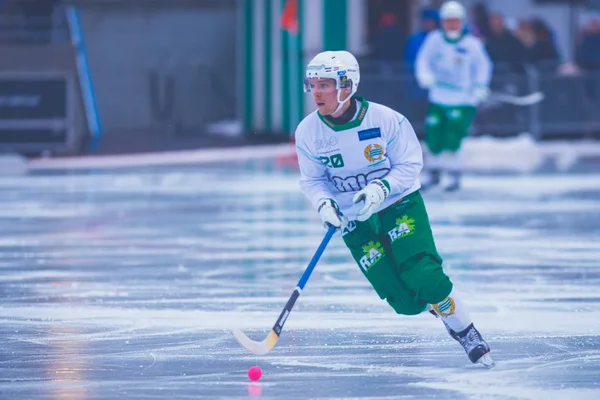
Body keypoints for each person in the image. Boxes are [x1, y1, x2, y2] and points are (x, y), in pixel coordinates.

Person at [294, 49, 494, 367]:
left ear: (346, 86)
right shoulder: (308, 132)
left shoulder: (386, 120)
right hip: (353, 220)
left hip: (398, 204)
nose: (316, 92)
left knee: (424, 275)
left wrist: (380, 188)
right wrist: (324, 204)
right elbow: (312, 180)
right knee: (405, 302)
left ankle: (466, 331)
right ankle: (437, 306)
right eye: (313, 84)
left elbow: (410, 164)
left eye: (325, 84)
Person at [415, 0, 492, 191]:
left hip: (462, 99)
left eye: (455, 20)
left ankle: (453, 172)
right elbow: (423, 61)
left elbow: (483, 67)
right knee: (433, 133)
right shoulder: (434, 40)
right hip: (439, 96)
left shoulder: (471, 44)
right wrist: (426, 77)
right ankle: (434, 171)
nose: (452, 24)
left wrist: (480, 86)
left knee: (453, 135)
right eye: (448, 20)